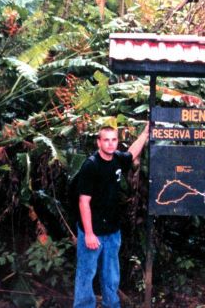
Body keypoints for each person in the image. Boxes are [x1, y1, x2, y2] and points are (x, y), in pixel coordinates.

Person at [73, 124, 149, 308]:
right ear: (99, 142)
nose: (110, 144)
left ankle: (111, 305)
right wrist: (89, 234)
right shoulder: (91, 165)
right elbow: (83, 202)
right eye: (106, 140)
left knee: (111, 275)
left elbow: (132, 153)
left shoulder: (117, 159)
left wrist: (146, 133)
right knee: (86, 274)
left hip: (112, 231)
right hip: (93, 231)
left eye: (113, 139)